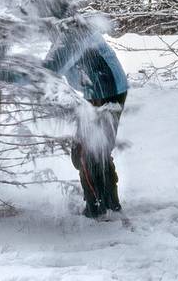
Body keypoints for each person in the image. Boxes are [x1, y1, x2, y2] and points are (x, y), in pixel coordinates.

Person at [44, 18, 128, 218]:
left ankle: (96, 208)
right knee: (97, 150)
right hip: (103, 91)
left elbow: (51, 68)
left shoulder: (72, 33)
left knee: (85, 152)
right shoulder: (70, 27)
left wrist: (19, 73)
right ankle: (110, 203)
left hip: (104, 92)